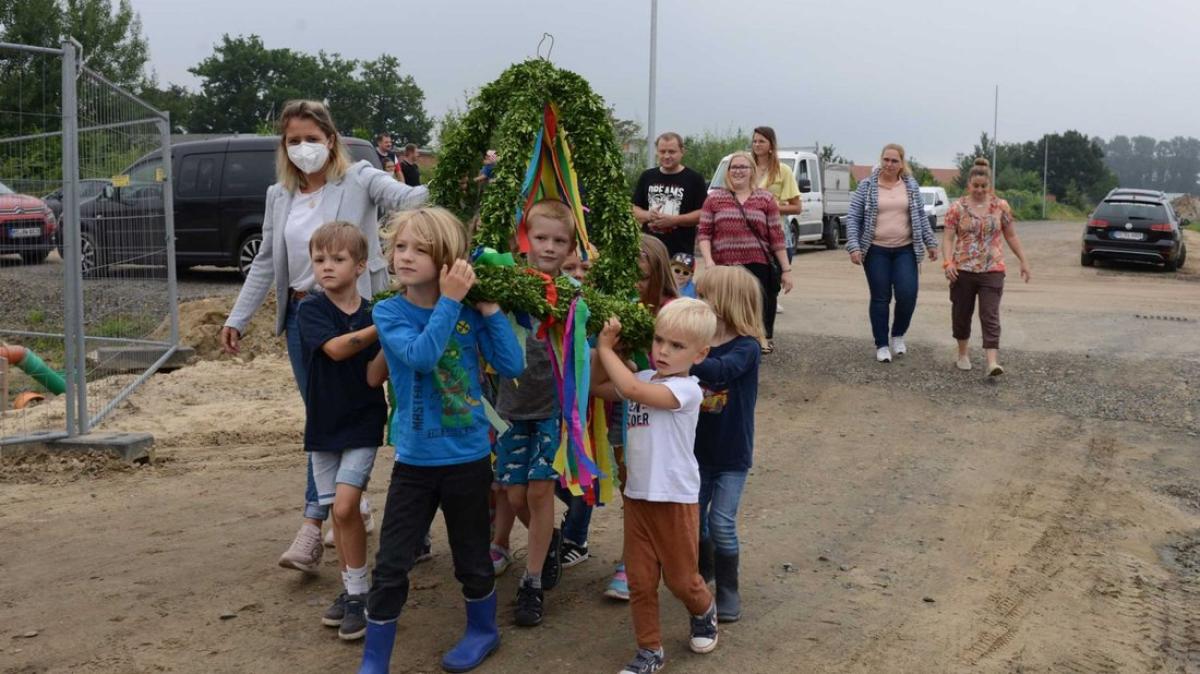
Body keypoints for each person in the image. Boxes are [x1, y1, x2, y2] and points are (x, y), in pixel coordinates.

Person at [220, 99, 427, 574]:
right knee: (324, 415)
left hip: (359, 316)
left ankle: (318, 524)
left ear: (330, 140)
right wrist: (238, 317)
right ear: (283, 146)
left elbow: (408, 199)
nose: (303, 148)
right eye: (294, 140)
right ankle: (343, 510)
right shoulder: (279, 195)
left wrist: (460, 175)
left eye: (312, 139)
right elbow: (267, 261)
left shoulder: (358, 180)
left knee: (376, 406)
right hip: (305, 318)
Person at [359, 207, 523, 674]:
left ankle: (483, 630)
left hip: (468, 457)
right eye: (400, 247)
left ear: (448, 259)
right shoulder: (389, 311)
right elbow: (421, 356)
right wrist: (451, 302)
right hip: (415, 461)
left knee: (472, 557)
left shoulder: (470, 312)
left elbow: (510, 365)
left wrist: (487, 308)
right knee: (392, 564)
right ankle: (375, 660)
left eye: (420, 249)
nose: (405, 257)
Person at [593, 299, 721, 674]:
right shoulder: (646, 378)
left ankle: (703, 609)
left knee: (681, 580)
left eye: (677, 346)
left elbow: (629, 389)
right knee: (640, 580)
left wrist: (603, 348)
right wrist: (610, 351)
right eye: (659, 340)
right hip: (637, 497)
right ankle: (650, 650)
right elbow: (600, 387)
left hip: (674, 500)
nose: (663, 351)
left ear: (701, 354)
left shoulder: (688, 391)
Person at [296, 222, 389, 641]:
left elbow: (373, 378)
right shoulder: (311, 309)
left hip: (364, 423)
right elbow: (335, 349)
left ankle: (357, 593)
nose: (327, 267)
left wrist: (390, 340)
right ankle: (355, 592)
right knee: (339, 511)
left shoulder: (374, 311)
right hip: (323, 426)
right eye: (319, 260)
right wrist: (385, 326)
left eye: (338, 259)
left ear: (361, 265)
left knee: (348, 507)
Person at [493, 199, 576, 626]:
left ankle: (532, 582)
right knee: (514, 494)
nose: (548, 247)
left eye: (559, 241)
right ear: (524, 240)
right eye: (540, 238)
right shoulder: (504, 286)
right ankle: (552, 538)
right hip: (510, 409)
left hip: (552, 409)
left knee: (541, 492)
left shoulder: (574, 295)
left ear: (571, 248)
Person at [691, 265, 765, 624]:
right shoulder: (698, 346)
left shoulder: (747, 347)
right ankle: (704, 572)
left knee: (721, 523)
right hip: (695, 453)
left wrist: (686, 356)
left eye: (703, 295)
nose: (696, 300)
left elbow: (720, 372)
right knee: (693, 520)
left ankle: (728, 588)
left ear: (724, 302)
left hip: (732, 455)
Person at [845, 143, 939, 363]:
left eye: (894, 161)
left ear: (901, 163)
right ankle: (882, 344)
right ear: (881, 160)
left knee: (908, 294)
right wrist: (854, 246)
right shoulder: (867, 186)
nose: (889, 164)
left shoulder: (911, 186)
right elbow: (853, 217)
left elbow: (920, 217)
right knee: (880, 297)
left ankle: (897, 335)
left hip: (905, 249)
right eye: (886, 160)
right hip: (876, 250)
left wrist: (931, 242)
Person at [698, 151, 794, 354]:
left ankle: (755, 346)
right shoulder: (714, 199)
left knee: (755, 310)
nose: (738, 171)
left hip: (757, 265)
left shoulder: (766, 199)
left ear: (752, 171)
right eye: (734, 167)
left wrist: (786, 270)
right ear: (727, 171)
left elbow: (777, 237)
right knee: (724, 308)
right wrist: (709, 263)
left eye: (743, 167)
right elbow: (704, 234)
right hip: (724, 266)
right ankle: (724, 345)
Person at [943, 158, 1031, 376]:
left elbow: (1010, 235)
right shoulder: (956, 208)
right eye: (976, 186)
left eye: (984, 186)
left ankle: (992, 362)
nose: (980, 190)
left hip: (993, 269)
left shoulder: (1000, 206)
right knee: (961, 313)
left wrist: (1023, 260)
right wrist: (948, 262)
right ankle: (963, 354)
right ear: (968, 186)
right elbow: (947, 238)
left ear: (990, 186)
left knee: (989, 314)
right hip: (962, 270)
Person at [632, 132, 709, 258]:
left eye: (671, 152)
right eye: (662, 151)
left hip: (680, 253)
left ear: (682, 151)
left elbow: (703, 213)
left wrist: (673, 220)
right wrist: (648, 215)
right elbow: (634, 209)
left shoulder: (694, 179)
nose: (666, 156)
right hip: (649, 251)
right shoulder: (647, 176)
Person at [751, 126, 802, 264]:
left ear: (771, 144)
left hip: (776, 236)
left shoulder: (783, 170)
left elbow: (796, 208)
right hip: (750, 238)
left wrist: (769, 207)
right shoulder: (746, 169)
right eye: (754, 141)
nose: (757, 144)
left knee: (773, 283)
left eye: (761, 141)